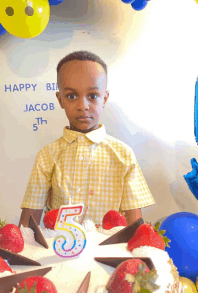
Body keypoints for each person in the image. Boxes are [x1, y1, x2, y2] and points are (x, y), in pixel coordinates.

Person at [19, 50, 155, 228]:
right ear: (60, 100)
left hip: (108, 253)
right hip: (60, 251)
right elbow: (28, 226)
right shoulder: (47, 155)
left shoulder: (123, 154)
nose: (83, 106)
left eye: (92, 96)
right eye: (72, 96)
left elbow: (135, 225)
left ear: (104, 98)